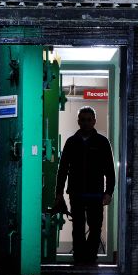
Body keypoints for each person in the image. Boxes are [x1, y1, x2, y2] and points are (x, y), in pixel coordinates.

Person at [55, 106, 115, 265]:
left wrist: (109, 192)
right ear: (78, 121)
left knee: (95, 228)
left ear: (94, 121)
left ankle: (91, 257)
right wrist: (59, 193)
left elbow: (110, 169)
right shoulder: (71, 142)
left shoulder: (102, 142)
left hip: (96, 193)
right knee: (78, 228)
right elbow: (62, 169)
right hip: (76, 193)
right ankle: (80, 258)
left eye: (89, 120)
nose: (86, 123)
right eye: (83, 120)